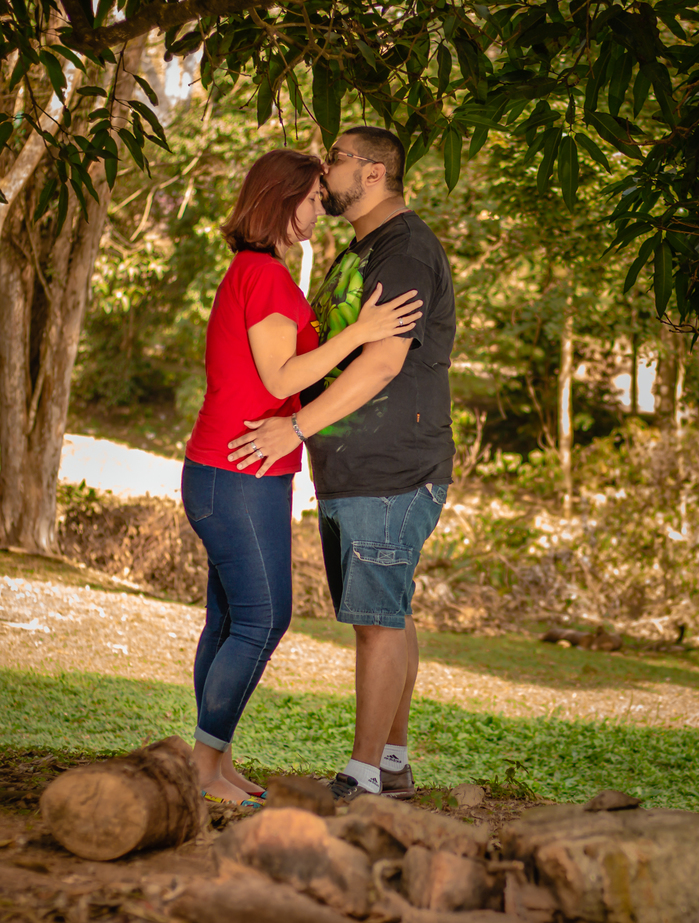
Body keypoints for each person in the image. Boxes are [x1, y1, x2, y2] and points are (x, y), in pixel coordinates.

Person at [182, 148, 423, 806]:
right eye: (314, 198)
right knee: (263, 618)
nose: (322, 209)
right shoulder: (262, 276)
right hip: (238, 472)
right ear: (282, 200)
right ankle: (203, 768)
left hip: (232, 469)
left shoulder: (257, 272)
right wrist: (364, 330)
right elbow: (282, 378)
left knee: (232, 619)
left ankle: (214, 763)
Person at [226, 126, 455, 802]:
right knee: (388, 611)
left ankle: (361, 778)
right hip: (357, 467)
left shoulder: (406, 252)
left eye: (340, 161)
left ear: (376, 173)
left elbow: (383, 362)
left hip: (391, 468)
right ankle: (391, 762)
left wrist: (292, 428)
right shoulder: (361, 253)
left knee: (376, 621)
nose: (328, 174)